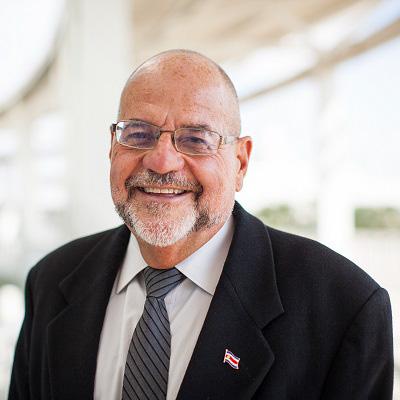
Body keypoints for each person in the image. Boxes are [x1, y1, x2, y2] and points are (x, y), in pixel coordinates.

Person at [9, 50, 393, 400]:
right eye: (138, 134)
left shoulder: (344, 308)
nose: (162, 162)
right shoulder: (50, 281)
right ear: (113, 147)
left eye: (196, 139)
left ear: (240, 162)